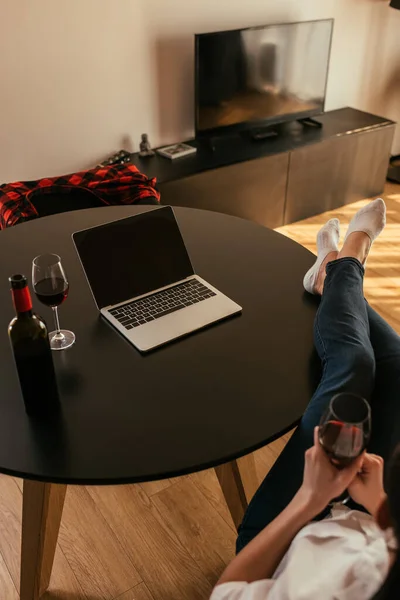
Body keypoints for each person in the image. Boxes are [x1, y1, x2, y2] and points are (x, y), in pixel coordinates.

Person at [210, 198, 400, 599]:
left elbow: (228, 590)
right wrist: (381, 506)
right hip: (371, 514)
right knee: (396, 365)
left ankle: (344, 260)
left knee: (353, 363)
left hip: (288, 531)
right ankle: (335, 271)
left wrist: (310, 498)